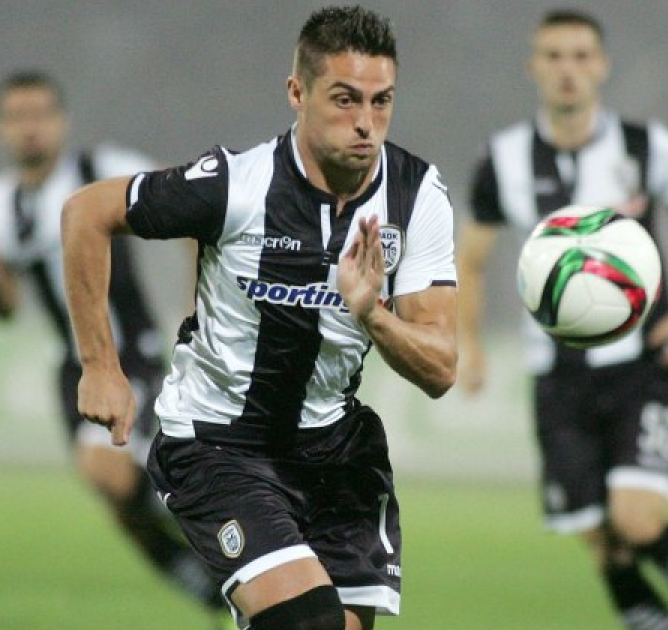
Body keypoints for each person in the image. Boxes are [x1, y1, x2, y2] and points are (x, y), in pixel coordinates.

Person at [61, 6, 457, 630]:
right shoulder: (235, 185)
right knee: (310, 623)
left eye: (381, 101)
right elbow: (86, 213)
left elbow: (440, 368)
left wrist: (371, 315)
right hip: (219, 444)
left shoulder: (416, 195)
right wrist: (99, 365)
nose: (365, 122)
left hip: (335, 451)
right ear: (297, 93)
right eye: (345, 99)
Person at [457, 10, 668, 630]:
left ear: (602, 66)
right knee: (600, 539)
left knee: (636, 520)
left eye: (581, 56)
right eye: (554, 56)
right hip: (556, 375)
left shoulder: (645, 147)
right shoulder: (503, 159)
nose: (568, 70)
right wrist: (469, 345)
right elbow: (470, 259)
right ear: (534, 66)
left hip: (642, 364)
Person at [0, 70, 224, 618]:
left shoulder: (101, 170)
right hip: (73, 366)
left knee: (106, 470)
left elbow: (192, 212)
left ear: (60, 122)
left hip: (133, 353)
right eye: (17, 117)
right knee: (117, 499)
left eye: (40, 114)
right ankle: (211, 584)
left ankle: (230, 537)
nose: (30, 128)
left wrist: (199, 305)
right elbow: (6, 311)